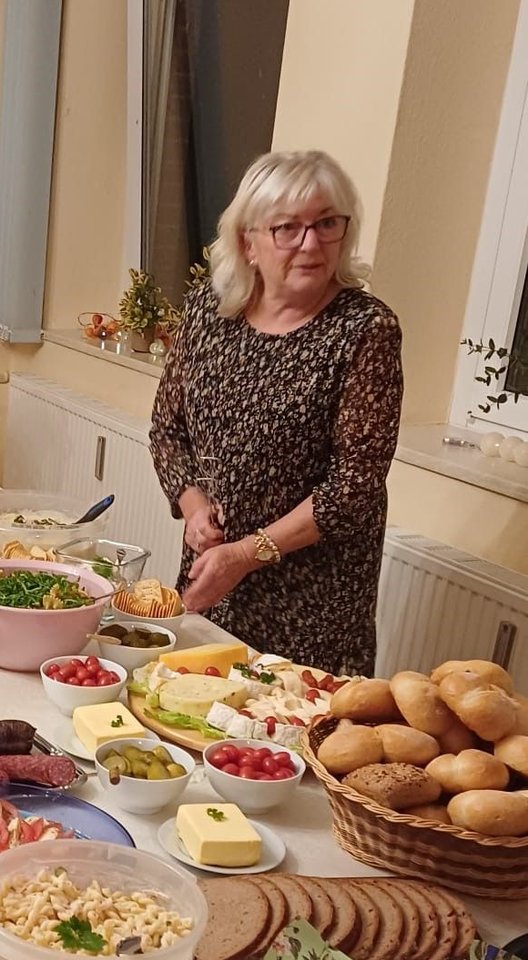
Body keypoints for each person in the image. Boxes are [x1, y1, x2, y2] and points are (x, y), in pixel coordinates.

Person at [150, 150, 403, 677]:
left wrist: (246, 554)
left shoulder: (364, 331)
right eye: (288, 228)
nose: (311, 244)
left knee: (278, 740)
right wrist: (195, 509)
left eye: (327, 224)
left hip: (310, 603)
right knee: (185, 713)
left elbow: (353, 488)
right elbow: (168, 430)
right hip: (213, 574)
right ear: (249, 241)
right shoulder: (210, 308)